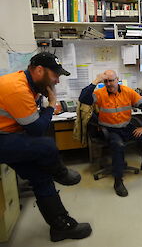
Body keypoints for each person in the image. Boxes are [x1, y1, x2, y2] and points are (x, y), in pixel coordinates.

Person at [0, 52, 92, 242]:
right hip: (4, 137)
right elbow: (37, 129)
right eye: (55, 75)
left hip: (10, 135)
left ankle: (60, 226)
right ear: (39, 70)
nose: (57, 81)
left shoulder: (30, 86)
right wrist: (51, 104)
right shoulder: (16, 88)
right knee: (47, 145)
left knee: (41, 177)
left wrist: (45, 108)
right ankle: (61, 173)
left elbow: (33, 123)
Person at [79, 70, 142, 197]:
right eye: (106, 81)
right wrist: (96, 81)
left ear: (117, 79)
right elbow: (83, 99)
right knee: (118, 146)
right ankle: (118, 181)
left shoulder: (128, 91)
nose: (109, 84)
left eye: (111, 80)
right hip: (109, 130)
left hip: (126, 127)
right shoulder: (99, 93)